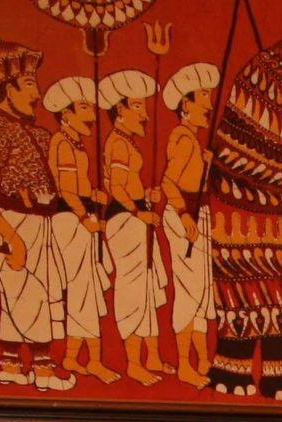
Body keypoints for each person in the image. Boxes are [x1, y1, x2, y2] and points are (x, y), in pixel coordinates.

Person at [0, 40, 69, 391]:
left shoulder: (41, 135)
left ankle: (11, 365)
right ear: (8, 89)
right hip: (7, 224)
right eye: (29, 85)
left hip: (41, 224)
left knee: (24, 300)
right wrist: (14, 239)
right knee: (29, 297)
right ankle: (44, 371)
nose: (37, 94)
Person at [41, 76, 116, 386]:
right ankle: (94, 361)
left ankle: (73, 357)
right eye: (84, 107)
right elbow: (66, 189)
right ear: (66, 113)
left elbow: (79, 187)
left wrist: (94, 196)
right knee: (83, 290)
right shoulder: (61, 142)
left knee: (87, 289)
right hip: (70, 220)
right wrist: (85, 215)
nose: (92, 115)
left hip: (81, 216)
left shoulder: (75, 144)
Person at [100, 69, 169, 385]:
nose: (144, 114)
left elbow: (128, 184)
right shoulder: (117, 143)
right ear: (120, 109)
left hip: (136, 215)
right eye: (138, 106)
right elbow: (116, 187)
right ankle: (133, 363)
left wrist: (145, 196)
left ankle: (152, 356)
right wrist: (138, 210)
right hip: (125, 220)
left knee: (148, 287)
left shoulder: (126, 142)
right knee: (132, 288)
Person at [159, 61, 220, 388]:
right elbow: (169, 183)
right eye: (203, 97)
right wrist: (183, 215)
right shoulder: (183, 139)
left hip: (198, 214)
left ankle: (204, 360)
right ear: (187, 103)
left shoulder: (193, 141)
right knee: (189, 290)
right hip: (185, 215)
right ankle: (185, 364)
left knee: (202, 290)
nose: (209, 104)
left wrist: (205, 163)